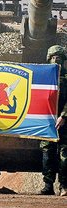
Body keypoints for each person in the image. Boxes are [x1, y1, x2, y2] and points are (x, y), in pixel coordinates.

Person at [40, 45, 66, 195]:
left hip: (64, 121)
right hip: (47, 121)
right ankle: (48, 185)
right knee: (47, 154)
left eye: (59, 57)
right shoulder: (43, 78)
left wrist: (64, 115)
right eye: (53, 57)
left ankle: (64, 185)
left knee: (64, 154)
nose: (56, 59)